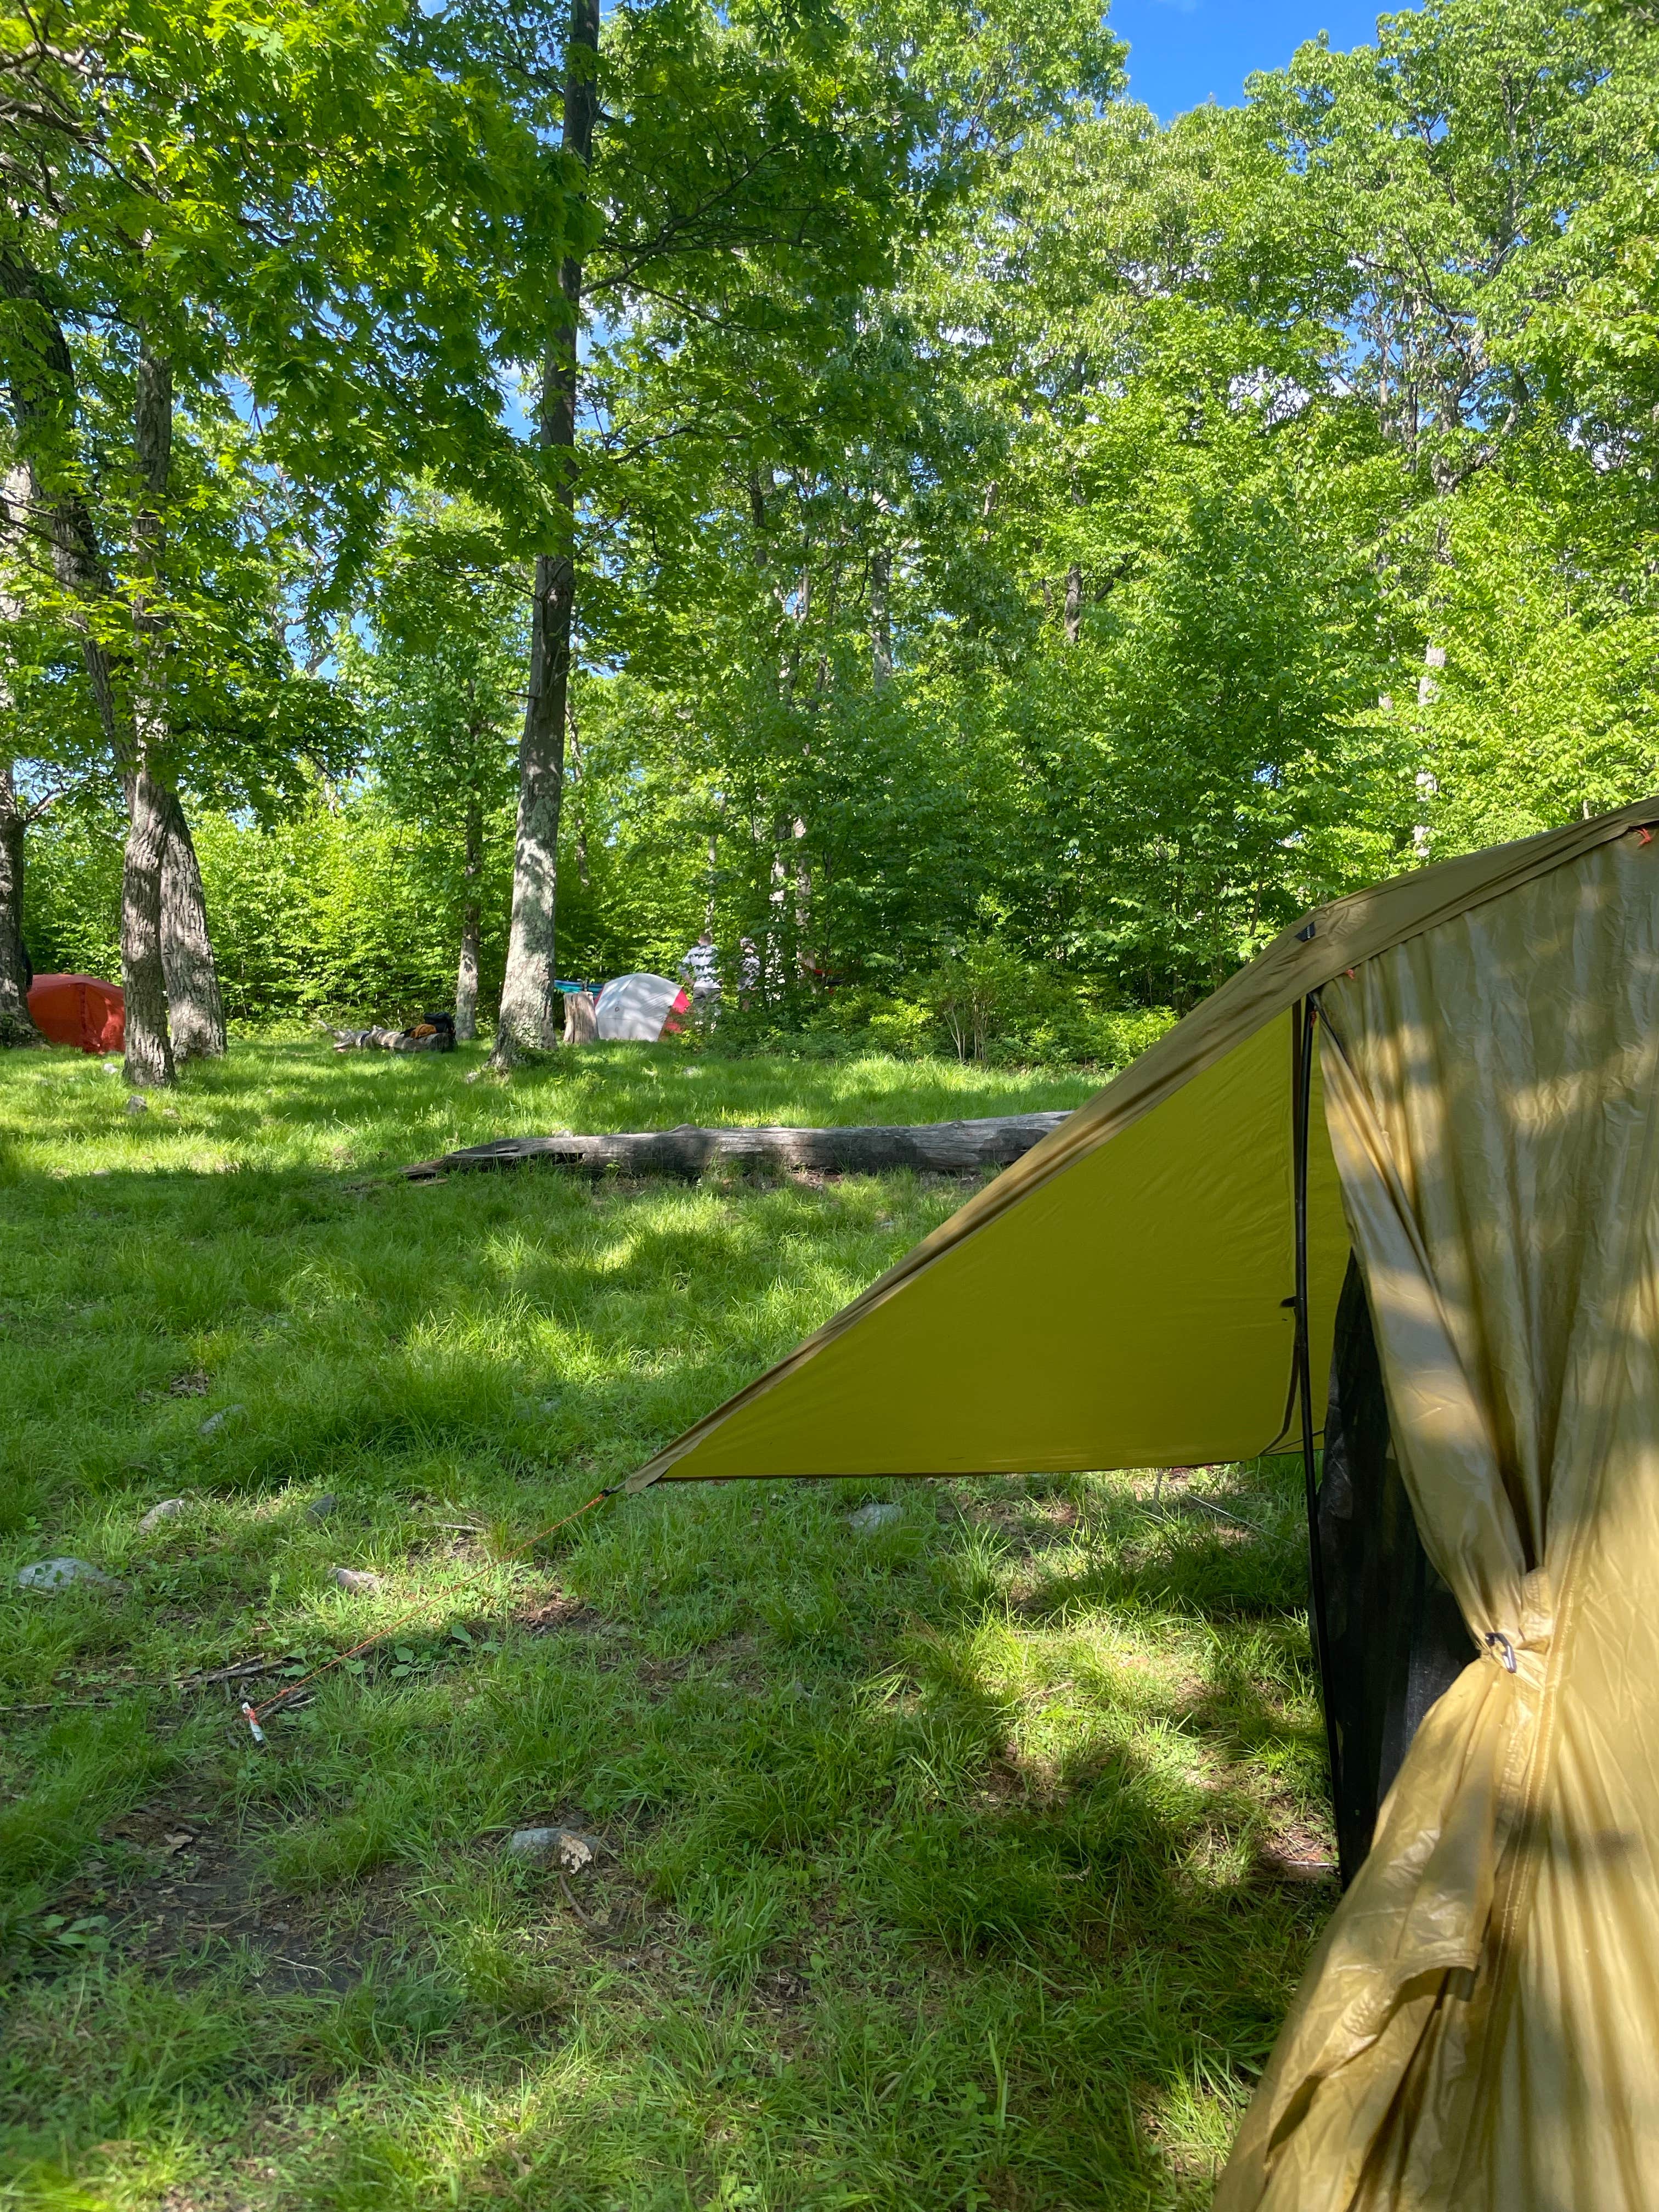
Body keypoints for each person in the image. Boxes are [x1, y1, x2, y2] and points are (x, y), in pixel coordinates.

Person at [679, 932, 721, 1014]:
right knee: (715, 1013)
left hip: (699, 986)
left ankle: (700, 1025)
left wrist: (691, 982)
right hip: (714, 986)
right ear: (711, 941)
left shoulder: (693, 952)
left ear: (700, 941)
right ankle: (714, 1026)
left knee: (700, 1013)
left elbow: (682, 968)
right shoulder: (716, 951)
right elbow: (726, 965)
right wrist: (721, 978)